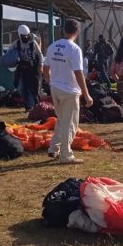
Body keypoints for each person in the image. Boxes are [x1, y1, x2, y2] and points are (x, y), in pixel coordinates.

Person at [43, 19, 93, 164]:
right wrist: (86, 93)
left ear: (64, 30)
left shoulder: (52, 46)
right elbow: (78, 72)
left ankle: (54, 148)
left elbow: (45, 68)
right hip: (70, 90)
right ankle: (66, 155)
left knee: (62, 120)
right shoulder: (74, 49)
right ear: (77, 32)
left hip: (55, 88)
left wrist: (50, 81)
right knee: (70, 123)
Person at [11, 24, 44, 111]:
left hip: (32, 69)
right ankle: (27, 105)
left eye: (27, 35)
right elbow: (9, 54)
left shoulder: (33, 43)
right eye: (23, 36)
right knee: (21, 87)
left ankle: (31, 107)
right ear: (19, 35)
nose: (25, 37)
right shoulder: (16, 44)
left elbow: (40, 55)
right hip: (21, 69)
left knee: (32, 88)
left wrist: (41, 65)